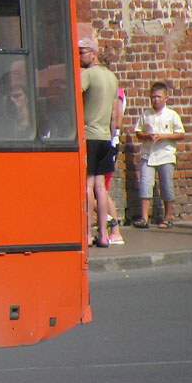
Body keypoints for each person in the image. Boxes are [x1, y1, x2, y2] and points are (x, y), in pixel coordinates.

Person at [79, 35, 118, 248]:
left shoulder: (88, 75)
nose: (79, 56)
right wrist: (110, 136)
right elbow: (114, 114)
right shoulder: (112, 77)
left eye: (82, 52)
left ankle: (86, 234)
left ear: (94, 54)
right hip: (104, 137)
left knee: (88, 185)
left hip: (90, 136)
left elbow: (76, 98)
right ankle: (103, 234)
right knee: (101, 187)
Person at [133, 81, 185, 229]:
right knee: (145, 184)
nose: (155, 100)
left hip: (166, 155)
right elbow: (138, 132)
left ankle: (168, 217)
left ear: (166, 98)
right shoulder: (146, 114)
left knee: (167, 186)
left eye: (158, 97)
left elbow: (180, 134)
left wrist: (163, 136)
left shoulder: (171, 115)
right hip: (148, 154)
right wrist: (147, 136)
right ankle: (144, 217)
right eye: (153, 97)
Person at [104, 85, 127, 243]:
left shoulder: (115, 90)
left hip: (109, 143)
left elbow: (117, 121)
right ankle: (106, 228)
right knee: (99, 190)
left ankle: (115, 229)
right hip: (106, 142)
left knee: (100, 190)